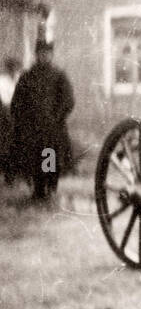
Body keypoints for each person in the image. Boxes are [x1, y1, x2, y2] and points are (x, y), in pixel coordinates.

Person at [10, 36, 74, 201]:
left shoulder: (59, 76)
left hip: (52, 129)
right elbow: (17, 102)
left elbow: (68, 100)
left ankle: (50, 188)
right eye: (40, 53)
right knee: (34, 160)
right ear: (36, 54)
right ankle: (38, 191)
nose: (44, 56)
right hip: (31, 130)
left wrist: (56, 118)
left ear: (51, 55)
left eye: (47, 53)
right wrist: (23, 121)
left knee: (50, 159)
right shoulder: (27, 76)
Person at [0, 56, 18, 185]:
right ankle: (8, 176)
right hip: (5, 117)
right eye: (11, 68)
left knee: (17, 146)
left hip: (18, 116)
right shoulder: (2, 81)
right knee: (6, 147)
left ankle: (15, 174)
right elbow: (4, 100)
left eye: (15, 68)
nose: (13, 71)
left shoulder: (20, 80)